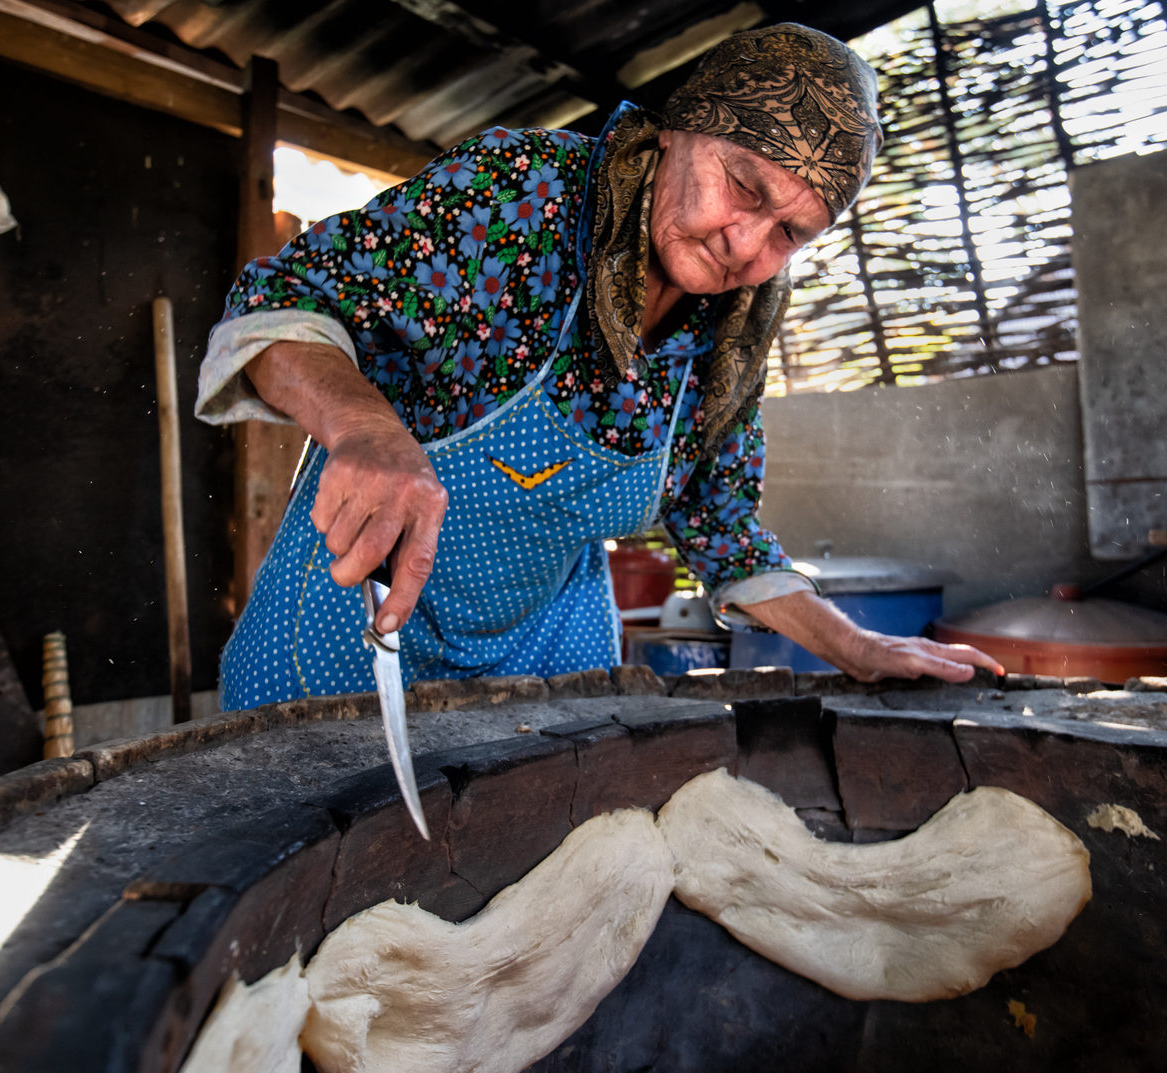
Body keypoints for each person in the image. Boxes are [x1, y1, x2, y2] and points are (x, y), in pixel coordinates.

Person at [196, 23, 1002, 710]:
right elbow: (277, 304)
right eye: (743, 188)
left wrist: (855, 648)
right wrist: (364, 428)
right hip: (352, 633)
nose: (748, 246)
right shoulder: (520, 196)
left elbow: (721, 524)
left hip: (545, 652)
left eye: (792, 233)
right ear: (675, 130)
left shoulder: (736, 326)